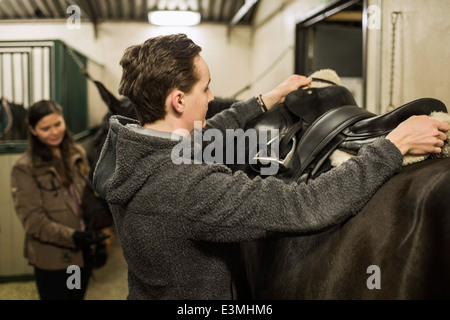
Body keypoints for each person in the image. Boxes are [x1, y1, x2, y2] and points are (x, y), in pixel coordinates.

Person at [93, 33, 450, 300]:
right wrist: (393, 146)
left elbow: (209, 133)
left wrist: (267, 99)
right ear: (178, 99)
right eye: (206, 88)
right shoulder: (187, 187)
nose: (213, 98)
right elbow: (303, 206)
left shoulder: (134, 150)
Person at [10, 100, 107, 300]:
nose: (54, 132)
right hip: (53, 258)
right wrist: (72, 237)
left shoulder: (77, 154)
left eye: (58, 124)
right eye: (45, 128)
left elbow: (88, 202)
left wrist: (98, 243)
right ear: (33, 130)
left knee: (76, 296)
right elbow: (34, 220)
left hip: (82, 253)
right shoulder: (25, 168)